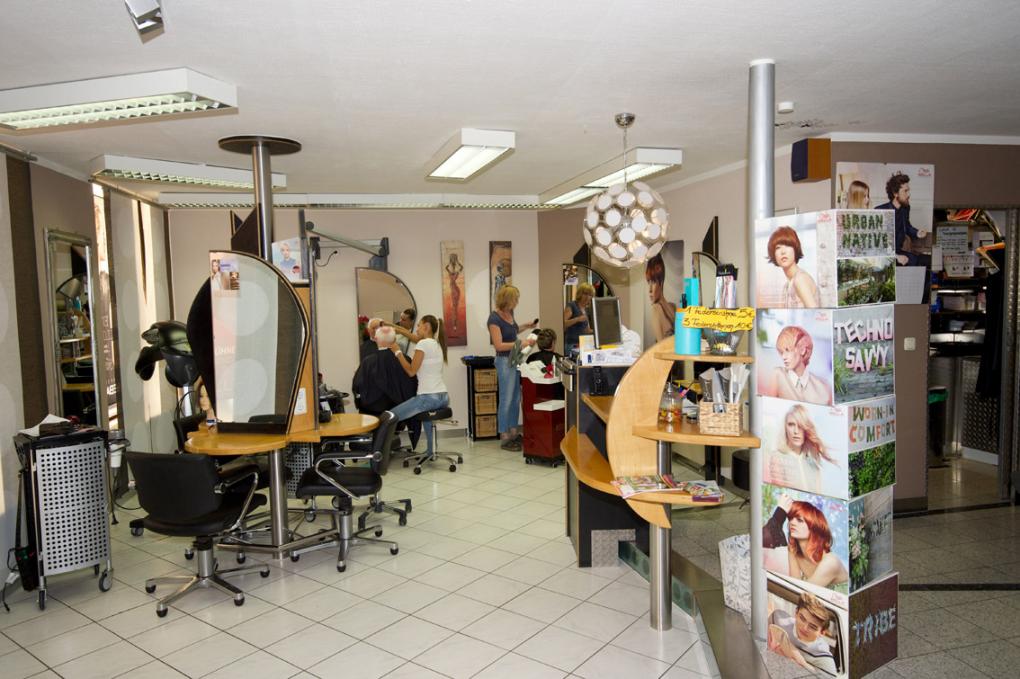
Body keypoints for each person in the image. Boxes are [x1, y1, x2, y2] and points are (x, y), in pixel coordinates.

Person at [387, 315, 449, 460]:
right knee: (427, 418)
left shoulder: (423, 344)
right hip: (443, 397)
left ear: (426, 327)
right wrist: (391, 326)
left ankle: (378, 454)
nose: (416, 329)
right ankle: (431, 451)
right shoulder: (435, 343)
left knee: (390, 417)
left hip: (429, 398)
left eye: (419, 325)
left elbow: (411, 371)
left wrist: (397, 352)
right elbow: (410, 335)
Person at [352, 325, 421, 447]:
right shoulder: (404, 360)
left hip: (373, 411)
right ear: (394, 340)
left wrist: (361, 402)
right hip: (399, 412)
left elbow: (357, 386)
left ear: (376, 339)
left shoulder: (368, 362)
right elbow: (413, 385)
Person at [488, 285, 539, 451]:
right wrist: (520, 343)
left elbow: (513, 331)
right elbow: (499, 345)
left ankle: (513, 432)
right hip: (503, 361)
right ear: (507, 299)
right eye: (515, 299)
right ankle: (504, 435)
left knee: (516, 398)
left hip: (514, 358)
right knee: (506, 399)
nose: (517, 302)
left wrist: (527, 326)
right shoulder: (494, 319)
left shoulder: (510, 314)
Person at [763, 495, 848, 588]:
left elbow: (803, 591)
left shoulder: (831, 562)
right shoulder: (793, 550)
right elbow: (794, 585)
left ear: (814, 528)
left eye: (799, 520)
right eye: (790, 518)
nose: (792, 523)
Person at [767, 404, 839, 495]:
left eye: (800, 426)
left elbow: (818, 496)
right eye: (791, 424)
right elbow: (780, 495)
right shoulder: (777, 457)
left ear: (807, 429)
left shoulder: (813, 462)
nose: (796, 431)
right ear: (785, 427)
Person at [768, 593, 838, 674]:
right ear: (796, 613)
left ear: (822, 633)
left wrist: (800, 662)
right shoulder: (777, 619)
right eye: (802, 618)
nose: (805, 628)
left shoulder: (824, 659)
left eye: (812, 627)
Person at [767, 326, 832, 405]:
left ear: (802, 350)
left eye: (787, 350)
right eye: (781, 352)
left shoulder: (824, 387)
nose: (783, 356)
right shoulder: (778, 375)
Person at [876, 172, 928, 266]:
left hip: (899, 252)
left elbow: (907, 226)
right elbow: (877, 245)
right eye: (905, 191)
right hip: (884, 256)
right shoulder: (880, 211)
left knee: (925, 261)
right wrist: (895, 257)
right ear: (895, 193)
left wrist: (917, 233)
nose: (909, 194)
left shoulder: (905, 208)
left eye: (908, 191)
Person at [766, 226, 820, 308]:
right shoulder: (786, 286)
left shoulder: (800, 279)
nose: (783, 252)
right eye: (778, 248)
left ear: (795, 248)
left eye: (787, 245)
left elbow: (816, 313)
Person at [645, 254, 676, 342]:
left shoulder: (672, 307)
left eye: (653, 282)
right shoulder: (657, 309)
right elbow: (661, 346)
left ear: (661, 282)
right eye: (649, 282)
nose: (650, 290)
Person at [563, 283, 594, 354]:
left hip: (583, 344)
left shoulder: (587, 309)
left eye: (590, 295)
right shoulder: (572, 305)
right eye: (585, 294)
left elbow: (586, 330)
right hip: (572, 345)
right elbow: (563, 324)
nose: (587, 297)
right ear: (580, 294)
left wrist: (597, 331)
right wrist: (577, 319)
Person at [445, 254, 464, 332]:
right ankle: (454, 325)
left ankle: (455, 325)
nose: (453, 261)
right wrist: (451, 262)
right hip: (454, 291)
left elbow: (461, 267)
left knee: (454, 308)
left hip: (455, 291)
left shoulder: (455, 273)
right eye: (452, 259)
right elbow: (446, 267)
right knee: (454, 308)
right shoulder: (452, 272)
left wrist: (457, 261)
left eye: (454, 259)